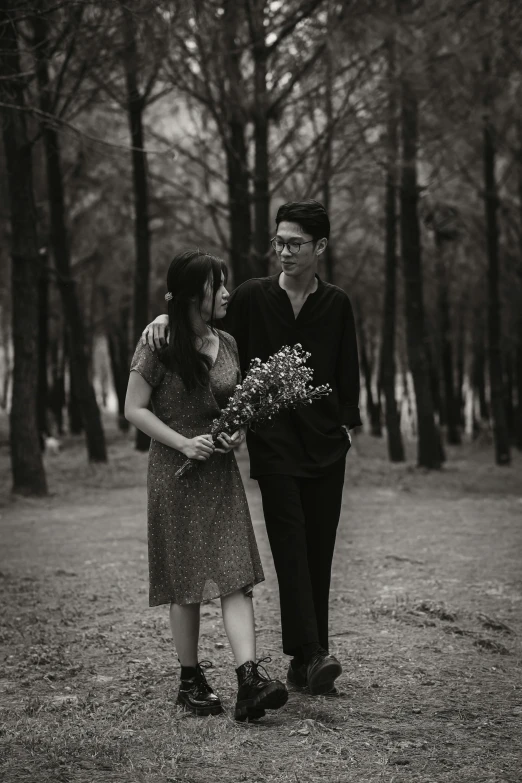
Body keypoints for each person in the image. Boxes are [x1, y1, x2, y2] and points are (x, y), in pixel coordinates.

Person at [142, 201, 362, 697]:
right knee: (290, 543)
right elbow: (200, 322)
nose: (282, 251)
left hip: (327, 446)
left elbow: (348, 368)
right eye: (278, 242)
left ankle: (309, 658)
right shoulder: (252, 296)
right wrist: (161, 314)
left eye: (294, 243)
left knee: (319, 549)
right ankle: (308, 653)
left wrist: (348, 427)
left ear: (320, 247)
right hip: (274, 445)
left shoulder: (338, 303)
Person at [125, 249, 288, 721]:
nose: (225, 293)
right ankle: (190, 681)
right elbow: (134, 408)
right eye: (216, 285)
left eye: (225, 284)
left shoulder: (229, 343)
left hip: (219, 476)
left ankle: (248, 681)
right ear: (193, 293)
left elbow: (231, 405)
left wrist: (238, 429)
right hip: (174, 476)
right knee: (186, 584)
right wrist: (182, 443)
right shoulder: (157, 342)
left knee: (236, 575)